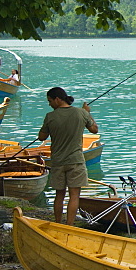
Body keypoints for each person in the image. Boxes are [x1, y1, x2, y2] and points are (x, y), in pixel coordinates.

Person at [38, 87, 99, 225]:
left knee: (59, 195)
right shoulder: (81, 113)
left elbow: (41, 137)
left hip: (58, 161)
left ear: (57, 99)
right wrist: (87, 113)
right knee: (74, 195)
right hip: (76, 161)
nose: (49, 104)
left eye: (50, 101)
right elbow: (94, 129)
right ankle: (69, 226)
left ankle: (58, 223)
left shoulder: (50, 116)